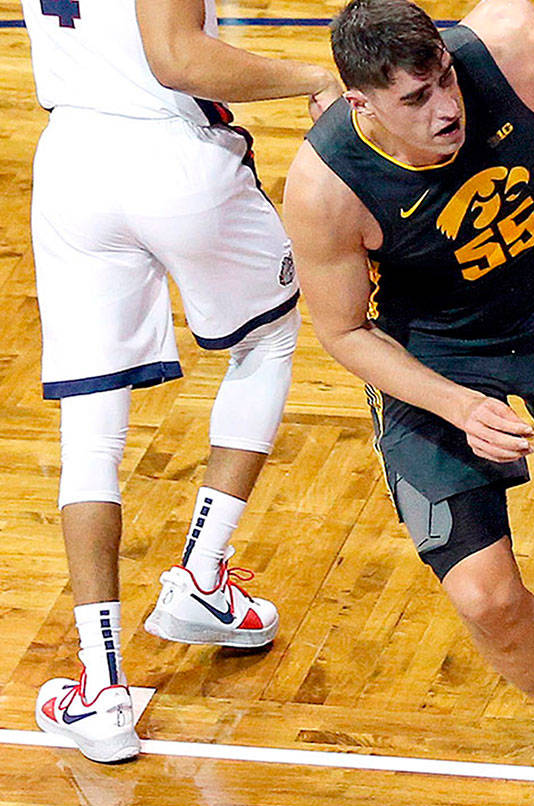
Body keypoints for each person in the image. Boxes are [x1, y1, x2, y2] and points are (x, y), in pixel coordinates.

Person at [281, 0, 534, 806]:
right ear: (361, 105)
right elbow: (344, 333)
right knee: (485, 599)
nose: (446, 108)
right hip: (439, 358)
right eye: (416, 98)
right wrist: (457, 406)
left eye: (446, 79)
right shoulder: (324, 189)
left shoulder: (513, 46)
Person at [24, 0, 341, 764]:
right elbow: (180, 60)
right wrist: (311, 76)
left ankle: (101, 690)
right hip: (169, 155)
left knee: (90, 433)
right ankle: (201, 574)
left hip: (71, 164)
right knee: (267, 341)